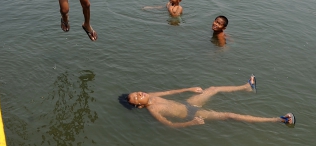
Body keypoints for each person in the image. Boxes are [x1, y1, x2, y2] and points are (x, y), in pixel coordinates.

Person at [120, 75, 295, 128]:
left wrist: (188, 89)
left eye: (136, 92)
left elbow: (169, 91)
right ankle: (279, 119)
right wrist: (192, 122)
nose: (139, 94)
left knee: (212, 88)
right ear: (139, 105)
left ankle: (246, 87)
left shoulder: (152, 96)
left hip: (189, 103)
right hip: (191, 112)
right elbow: (170, 125)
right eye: (136, 97)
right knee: (229, 115)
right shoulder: (152, 109)